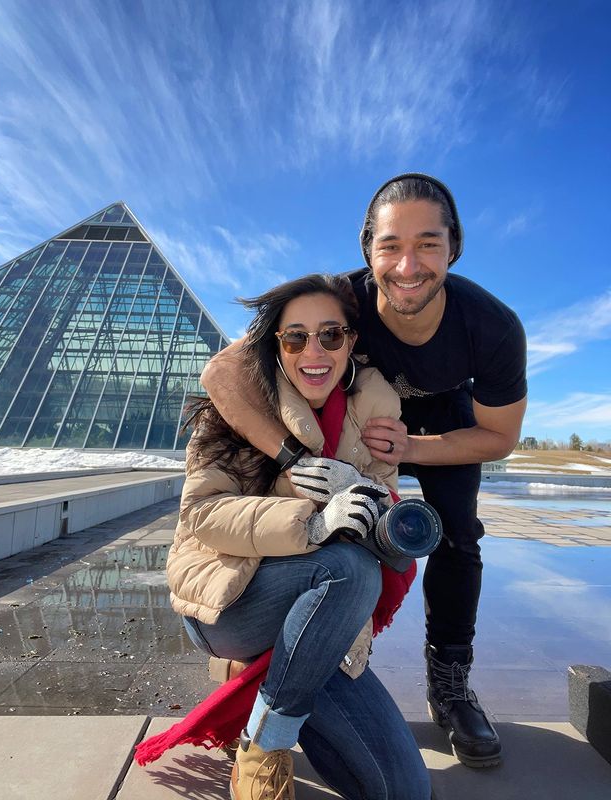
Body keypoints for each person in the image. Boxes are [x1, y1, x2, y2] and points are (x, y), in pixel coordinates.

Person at [201, 174, 527, 768]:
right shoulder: (344, 300)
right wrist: (294, 458)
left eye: (428, 244)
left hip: (445, 417)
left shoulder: (493, 327)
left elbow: (499, 437)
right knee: (340, 522)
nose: (408, 266)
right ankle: (285, 641)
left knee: (457, 534)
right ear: (366, 250)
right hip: (360, 402)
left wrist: (412, 448)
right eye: (390, 246)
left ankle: (450, 685)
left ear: (454, 247)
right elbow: (221, 373)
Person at [167, 274, 431, 800]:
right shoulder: (234, 407)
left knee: (404, 789)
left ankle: (278, 683)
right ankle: (264, 743)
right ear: (276, 345)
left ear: (351, 342)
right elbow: (202, 512)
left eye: (330, 335)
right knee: (349, 569)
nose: (314, 351)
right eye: (295, 338)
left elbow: (386, 526)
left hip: (324, 617)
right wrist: (312, 522)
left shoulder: (375, 417)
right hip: (229, 602)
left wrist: (367, 497)